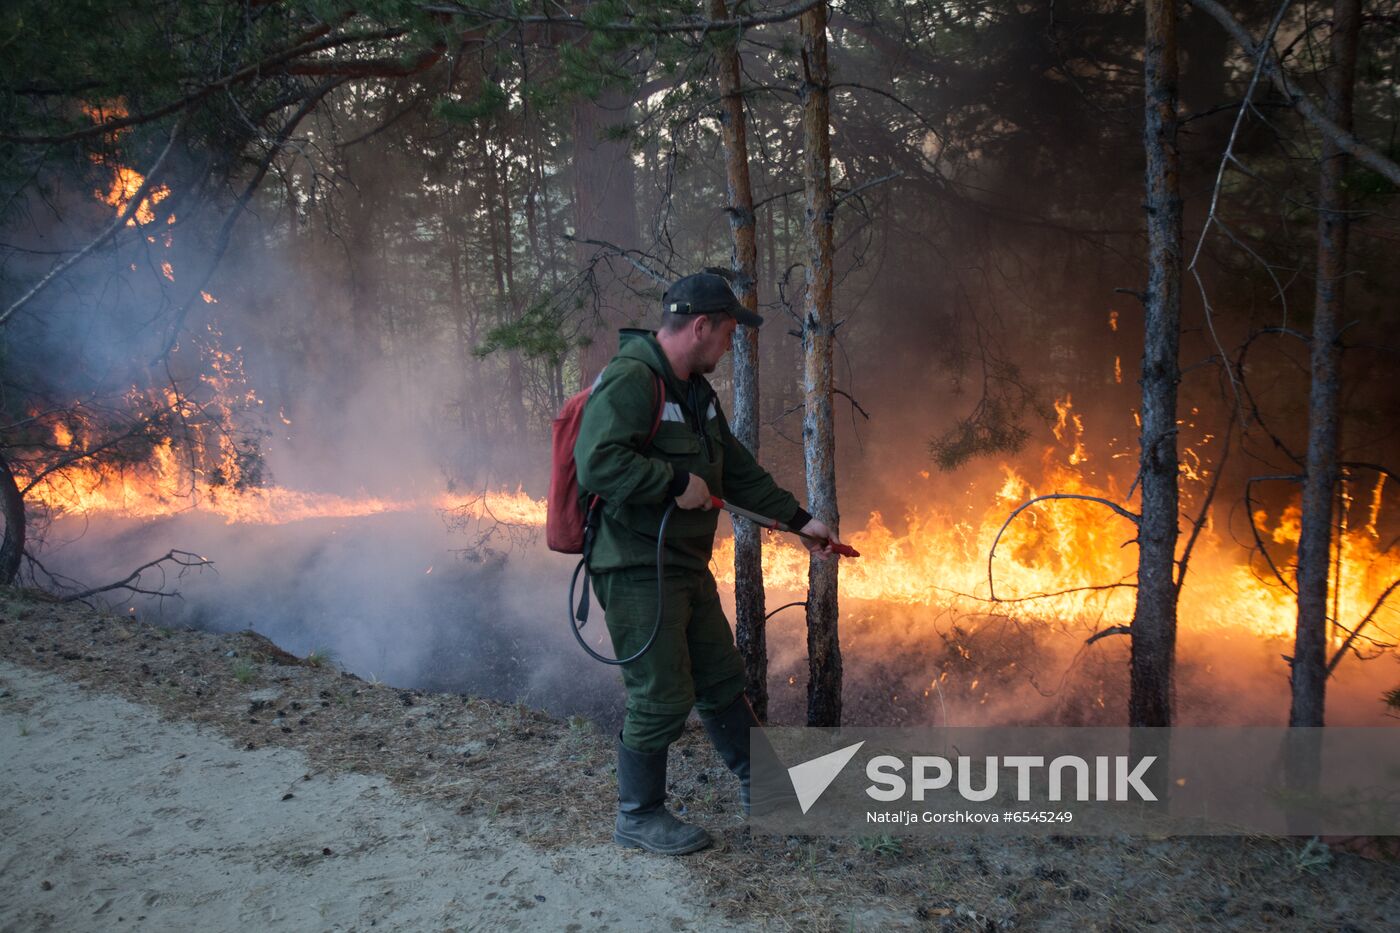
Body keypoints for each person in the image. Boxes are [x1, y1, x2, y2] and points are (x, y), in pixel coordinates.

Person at [574, 271, 841, 855]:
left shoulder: (696, 393)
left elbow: (736, 470)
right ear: (700, 326)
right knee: (662, 693)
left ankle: (764, 789)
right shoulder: (631, 380)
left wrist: (800, 521)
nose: (729, 345)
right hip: (637, 567)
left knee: (722, 678)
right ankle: (638, 815)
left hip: (683, 566)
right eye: (726, 334)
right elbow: (597, 464)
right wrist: (672, 481)